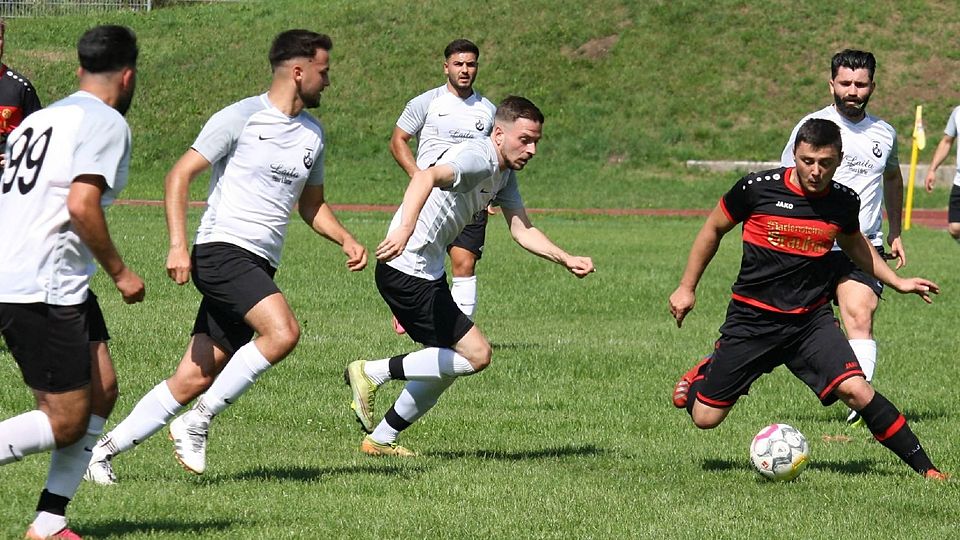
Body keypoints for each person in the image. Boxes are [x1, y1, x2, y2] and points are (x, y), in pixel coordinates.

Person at [85, 29, 367, 483]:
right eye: (323, 71)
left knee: (193, 376)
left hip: (259, 263)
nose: (328, 82)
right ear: (298, 72)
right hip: (221, 251)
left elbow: (311, 206)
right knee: (283, 333)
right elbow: (179, 175)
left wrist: (346, 239)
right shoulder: (240, 117)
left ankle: (101, 453)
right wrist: (178, 245)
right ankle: (197, 421)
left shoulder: (314, 135)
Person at [669, 118, 945, 480]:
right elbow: (713, 228)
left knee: (857, 390)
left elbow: (856, 246)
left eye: (825, 163)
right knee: (705, 418)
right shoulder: (757, 189)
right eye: (807, 161)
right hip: (752, 321)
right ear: (795, 156)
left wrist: (897, 281)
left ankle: (927, 470)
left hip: (808, 323)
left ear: (839, 159)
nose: (815, 171)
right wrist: (687, 287)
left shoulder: (843, 202)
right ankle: (706, 369)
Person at [344, 96, 595, 456]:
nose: (533, 149)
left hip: (424, 270)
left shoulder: (503, 173)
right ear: (498, 133)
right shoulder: (478, 159)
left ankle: (382, 439)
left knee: (447, 361)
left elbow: (523, 230)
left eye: (537, 140)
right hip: (406, 268)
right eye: (525, 139)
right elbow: (426, 176)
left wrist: (565, 258)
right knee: (477, 355)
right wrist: (405, 228)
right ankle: (372, 372)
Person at [0, 25, 144, 539]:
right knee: (63, 420)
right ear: (127, 77)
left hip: (43, 275)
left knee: (101, 390)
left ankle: (49, 521)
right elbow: (81, 205)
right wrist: (122, 273)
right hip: (42, 282)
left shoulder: (38, 119)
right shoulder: (105, 122)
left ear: (80, 68)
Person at [780, 49, 903, 424]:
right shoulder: (812, 127)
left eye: (861, 84)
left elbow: (893, 178)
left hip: (861, 244)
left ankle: (859, 402)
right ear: (831, 83)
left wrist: (895, 231)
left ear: (872, 87)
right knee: (788, 326)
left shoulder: (884, 133)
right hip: (812, 243)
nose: (853, 91)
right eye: (846, 83)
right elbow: (786, 180)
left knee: (859, 312)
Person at [388, 38, 496, 333]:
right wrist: (419, 177)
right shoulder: (427, 102)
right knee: (422, 264)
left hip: (469, 201)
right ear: (445, 66)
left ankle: (459, 334)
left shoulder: (488, 110)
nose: (465, 70)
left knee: (465, 262)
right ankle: (411, 308)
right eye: (458, 64)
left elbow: (493, 155)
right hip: (430, 198)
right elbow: (398, 141)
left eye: (471, 64)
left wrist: (490, 193)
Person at [0, 17, 43, 170]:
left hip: (7, 181)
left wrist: (19, 156)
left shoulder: (21, 87)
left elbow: (40, 136)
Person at [923, 106, 960, 241]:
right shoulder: (958, 112)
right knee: (955, 227)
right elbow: (946, 142)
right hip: (959, 181)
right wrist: (932, 169)